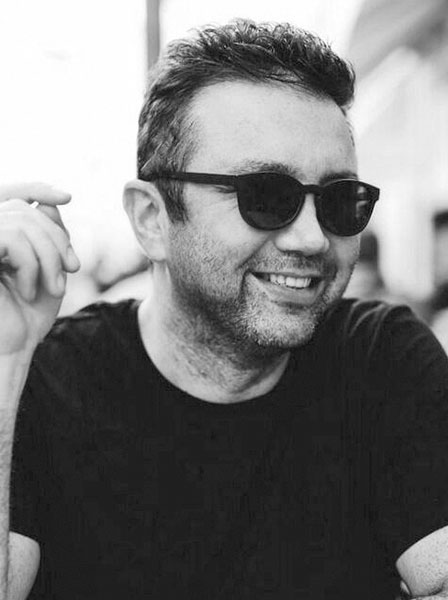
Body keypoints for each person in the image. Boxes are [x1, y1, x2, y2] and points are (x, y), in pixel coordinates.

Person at [2, 20, 448, 600]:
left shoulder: (381, 359)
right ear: (151, 219)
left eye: (341, 200)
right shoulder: (41, 381)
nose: (312, 238)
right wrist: (4, 363)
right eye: (267, 196)